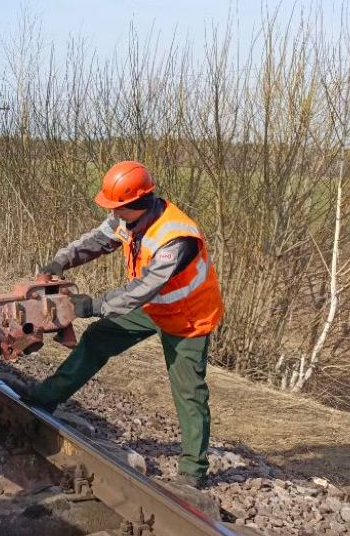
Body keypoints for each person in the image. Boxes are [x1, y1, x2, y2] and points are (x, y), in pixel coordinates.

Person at [25, 160, 224, 489]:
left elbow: (145, 286)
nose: (113, 214)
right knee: (97, 340)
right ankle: (45, 397)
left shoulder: (176, 238)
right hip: (151, 307)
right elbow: (96, 241)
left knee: (189, 392)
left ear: (136, 203)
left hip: (187, 317)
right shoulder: (126, 219)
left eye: (117, 208)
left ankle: (193, 472)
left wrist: (92, 306)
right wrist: (61, 260)